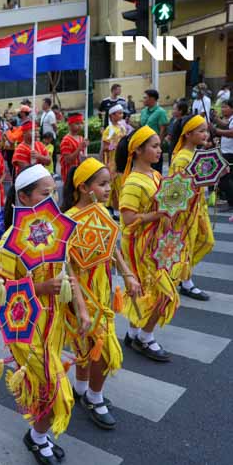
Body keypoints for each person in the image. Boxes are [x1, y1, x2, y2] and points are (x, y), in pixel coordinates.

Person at [0, 164, 89, 465]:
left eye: (54, 193)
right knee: (55, 389)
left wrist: (82, 308)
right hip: (27, 331)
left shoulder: (55, 230)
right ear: (24, 196)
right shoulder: (9, 242)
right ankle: (38, 436)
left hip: (54, 323)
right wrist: (41, 286)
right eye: (45, 194)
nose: (53, 200)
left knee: (44, 388)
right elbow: (1, 294)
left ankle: (37, 435)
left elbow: (69, 270)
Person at [61, 158, 141, 431]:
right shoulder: (68, 220)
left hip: (103, 290)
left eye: (109, 183)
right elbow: (67, 267)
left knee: (89, 346)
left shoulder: (103, 213)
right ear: (84, 187)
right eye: (103, 184)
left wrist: (128, 273)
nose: (109, 188)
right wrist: (80, 305)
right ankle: (94, 397)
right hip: (80, 295)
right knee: (103, 350)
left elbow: (113, 247)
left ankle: (82, 389)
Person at [116, 126, 179, 362]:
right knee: (165, 294)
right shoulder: (133, 182)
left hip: (156, 242)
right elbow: (128, 219)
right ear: (138, 150)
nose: (159, 150)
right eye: (153, 146)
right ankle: (146, 337)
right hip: (139, 246)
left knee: (143, 291)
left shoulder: (155, 175)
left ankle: (133, 333)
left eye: (158, 145)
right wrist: (159, 214)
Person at [169, 115, 215, 301]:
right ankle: (184, 281)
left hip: (199, 208)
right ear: (188, 134)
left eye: (206, 130)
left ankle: (178, 274)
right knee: (187, 246)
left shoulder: (197, 154)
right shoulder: (182, 159)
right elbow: (175, 190)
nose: (205, 134)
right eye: (201, 131)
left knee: (206, 241)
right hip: (186, 212)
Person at [100, 105, 129, 215]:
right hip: (112, 161)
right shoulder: (109, 129)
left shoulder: (122, 127)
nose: (122, 115)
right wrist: (115, 146)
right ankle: (108, 207)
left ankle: (119, 206)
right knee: (111, 184)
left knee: (121, 183)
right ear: (112, 115)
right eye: (119, 113)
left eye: (122, 113)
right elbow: (105, 147)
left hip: (121, 160)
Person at [140, 89, 169, 173]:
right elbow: (141, 126)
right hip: (144, 146)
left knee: (155, 171)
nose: (143, 100)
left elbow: (163, 130)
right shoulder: (143, 111)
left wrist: (157, 146)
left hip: (154, 147)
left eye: (145, 98)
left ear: (152, 99)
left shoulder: (160, 112)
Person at [212, 99, 233, 212]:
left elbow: (231, 133)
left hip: (230, 153)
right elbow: (225, 125)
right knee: (227, 177)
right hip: (226, 152)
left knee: (223, 177)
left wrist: (216, 130)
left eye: (225, 107)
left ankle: (231, 201)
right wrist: (215, 119)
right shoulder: (230, 119)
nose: (223, 109)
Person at [59, 113, 88, 184]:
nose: (80, 126)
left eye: (81, 123)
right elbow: (68, 160)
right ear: (70, 125)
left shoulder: (81, 138)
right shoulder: (66, 140)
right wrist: (79, 148)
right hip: (69, 175)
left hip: (80, 173)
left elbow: (81, 156)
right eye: (77, 123)